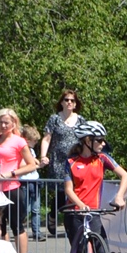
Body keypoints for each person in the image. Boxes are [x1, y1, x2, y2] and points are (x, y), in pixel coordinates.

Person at [57, 122, 127, 253]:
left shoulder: (103, 158)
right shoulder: (71, 162)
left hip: (93, 213)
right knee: (80, 252)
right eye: (99, 140)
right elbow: (68, 189)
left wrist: (119, 196)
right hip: (75, 214)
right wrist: (80, 204)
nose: (103, 143)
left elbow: (125, 176)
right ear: (87, 141)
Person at [0, 108, 39, 240]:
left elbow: (32, 165)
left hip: (12, 188)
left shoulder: (19, 141)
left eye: (6, 123)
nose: (3, 126)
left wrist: (12, 173)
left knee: (16, 226)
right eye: (0, 122)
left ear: (14, 123)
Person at [39, 89, 85, 240]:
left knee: (73, 193)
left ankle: (70, 226)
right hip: (58, 161)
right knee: (61, 193)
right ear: (62, 102)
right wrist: (43, 156)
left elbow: (86, 140)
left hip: (76, 161)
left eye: (72, 100)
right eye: (66, 100)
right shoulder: (54, 119)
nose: (69, 102)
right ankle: (52, 215)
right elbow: (46, 138)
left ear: (75, 103)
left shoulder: (81, 120)